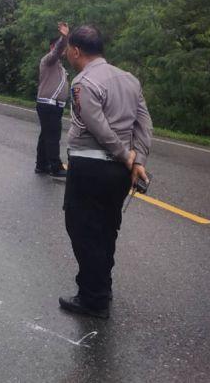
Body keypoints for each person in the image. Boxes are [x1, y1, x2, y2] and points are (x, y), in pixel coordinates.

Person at [60, 25, 152, 319]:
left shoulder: (83, 82)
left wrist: (126, 156)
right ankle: (102, 286)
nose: (66, 54)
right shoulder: (129, 79)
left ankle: (93, 299)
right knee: (106, 229)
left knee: (84, 230)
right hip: (117, 175)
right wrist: (138, 161)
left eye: (67, 49)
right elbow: (143, 123)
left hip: (91, 167)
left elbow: (98, 126)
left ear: (76, 50)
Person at [35, 22, 69, 178]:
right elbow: (58, 50)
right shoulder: (48, 60)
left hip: (55, 106)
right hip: (48, 105)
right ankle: (55, 167)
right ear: (51, 47)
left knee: (46, 135)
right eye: (58, 46)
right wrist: (64, 37)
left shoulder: (60, 67)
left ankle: (41, 165)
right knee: (53, 135)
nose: (62, 49)